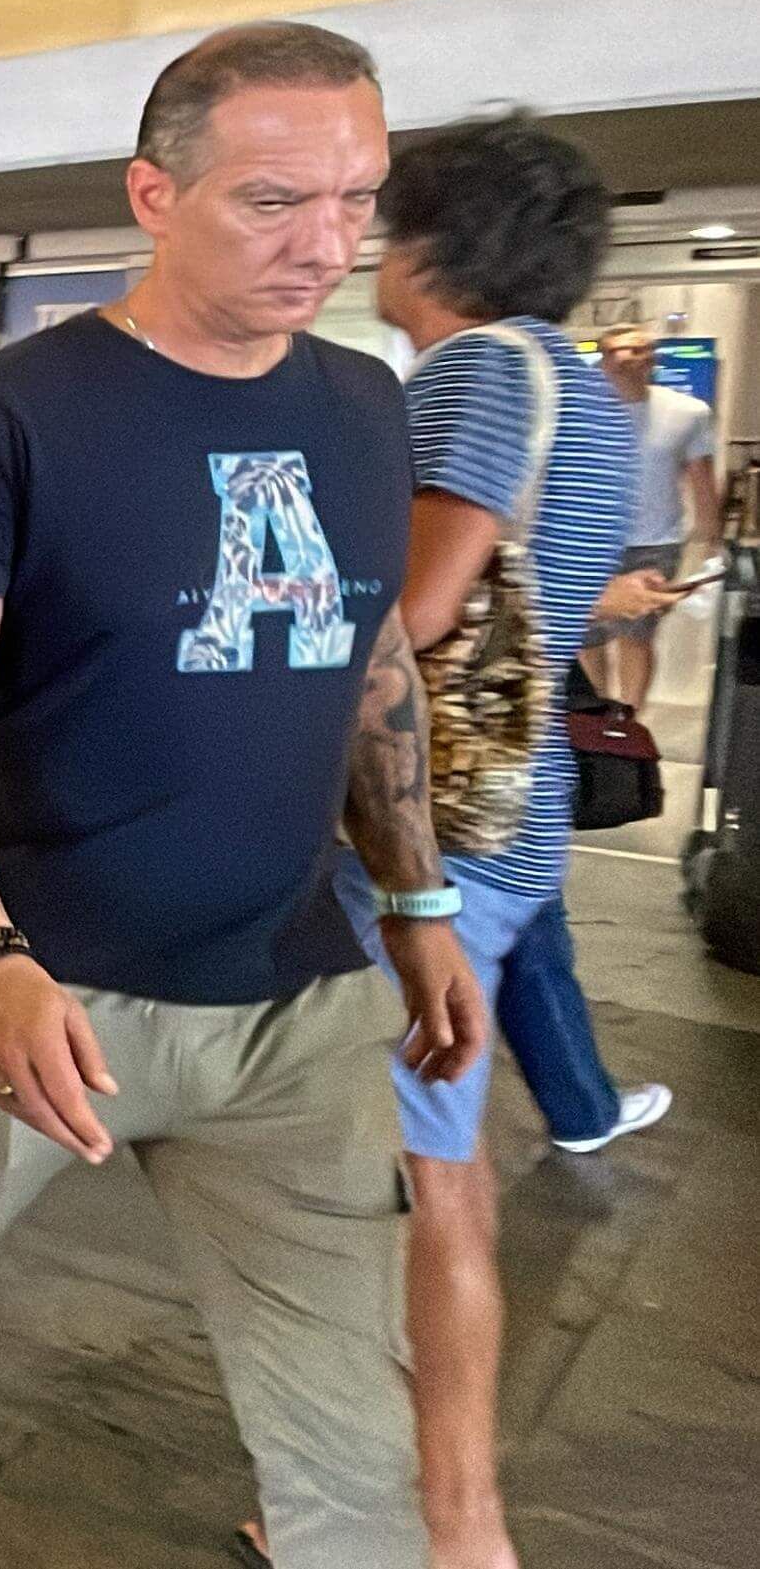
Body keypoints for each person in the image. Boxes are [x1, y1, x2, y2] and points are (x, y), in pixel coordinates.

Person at [0, 22, 484, 1569]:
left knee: (345, 1421)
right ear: (149, 194)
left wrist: (418, 899)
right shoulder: (10, 416)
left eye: (352, 200)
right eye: (270, 202)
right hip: (45, 992)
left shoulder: (363, 404)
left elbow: (371, 658)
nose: (323, 245)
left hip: (290, 999)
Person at [333, 115, 669, 1569]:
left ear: (430, 244)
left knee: (422, 1182)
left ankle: (451, 1525)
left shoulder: (474, 369)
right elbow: (547, 601)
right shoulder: (585, 397)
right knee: (429, 1168)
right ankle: (369, 1490)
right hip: (513, 823)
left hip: (432, 841)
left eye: (376, 214)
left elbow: (407, 616)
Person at [583, 323, 719, 708]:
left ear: (652, 359)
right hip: (589, 542)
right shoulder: (576, 413)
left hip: (655, 541)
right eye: (615, 351)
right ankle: (595, 718)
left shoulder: (687, 412)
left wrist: (710, 548)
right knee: (586, 637)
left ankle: (627, 720)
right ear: (604, 360)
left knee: (636, 634)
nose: (625, 358)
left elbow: (702, 481)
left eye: (637, 350)